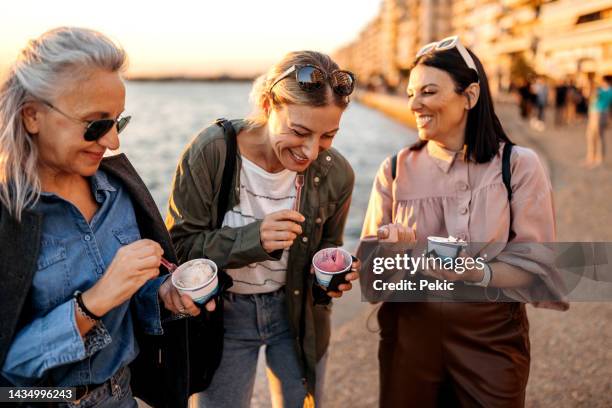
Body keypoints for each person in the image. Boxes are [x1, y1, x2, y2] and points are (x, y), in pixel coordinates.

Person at [0, 27, 213, 407]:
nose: (114, 141)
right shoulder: (7, 215)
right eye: (96, 125)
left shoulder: (118, 188)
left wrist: (164, 294)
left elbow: (129, 302)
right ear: (32, 116)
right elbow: (9, 373)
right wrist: (91, 304)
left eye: (119, 122)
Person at [358, 36, 566, 407]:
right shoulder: (393, 171)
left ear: (469, 96)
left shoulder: (518, 166)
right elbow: (372, 278)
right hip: (409, 336)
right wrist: (391, 251)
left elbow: (534, 267)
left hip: (491, 340)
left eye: (428, 91)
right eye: (410, 93)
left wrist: (477, 274)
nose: (414, 103)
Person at [166, 51, 360, 407]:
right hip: (222, 316)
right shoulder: (212, 151)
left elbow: (328, 247)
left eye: (328, 135)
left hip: (298, 316)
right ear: (269, 104)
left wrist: (332, 279)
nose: (311, 152)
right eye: (300, 132)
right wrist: (252, 239)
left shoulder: (338, 173)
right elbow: (178, 249)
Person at [584, 75, 612, 168]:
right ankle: (597, 158)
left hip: (597, 114)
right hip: (603, 114)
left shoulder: (601, 91)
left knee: (594, 136)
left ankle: (593, 157)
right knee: (599, 136)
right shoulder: (609, 91)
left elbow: (591, 98)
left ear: (604, 81)